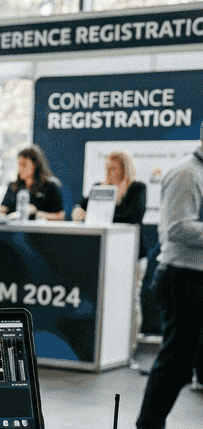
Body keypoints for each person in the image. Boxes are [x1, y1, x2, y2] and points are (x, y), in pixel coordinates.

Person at [131, 128, 203, 429]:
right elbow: (177, 228)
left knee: (184, 359)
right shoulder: (187, 173)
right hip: (183, 278)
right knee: (176, 361)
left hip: (195, 277)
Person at [75, 151, 148, 365]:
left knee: (131, 300)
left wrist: (95, 216)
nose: (109, 172)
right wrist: (81, 213)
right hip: (106, 255)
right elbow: (81, 208)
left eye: (113, 168)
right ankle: (108, 348)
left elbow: (133, 216)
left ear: (124, 168)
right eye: (106, 168)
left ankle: (130, 348)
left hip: (133, 254)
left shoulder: (137, 188)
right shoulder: (100, 188)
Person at [0, 145, 64, 221]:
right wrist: (2, 213)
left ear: (35, 165)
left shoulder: (50, 186)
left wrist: (37, 213)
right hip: (14, 230)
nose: (21, 168)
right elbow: (3, 210)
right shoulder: (13, 187)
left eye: (24, 164)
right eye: (19, 164)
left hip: (39, 230)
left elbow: (60, 216)